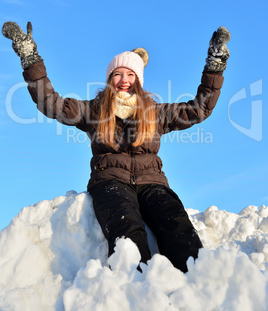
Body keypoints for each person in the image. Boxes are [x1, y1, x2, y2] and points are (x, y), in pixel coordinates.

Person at [2, 21, 230, 273]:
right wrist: (30, 57)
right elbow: (50, 103)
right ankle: (134, 290)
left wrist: (215, 65)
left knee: (178, 226)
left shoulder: (154, 113)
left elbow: (199, 109)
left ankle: (198, 286)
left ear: (139, 79)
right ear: (110, 79)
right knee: (128, 233)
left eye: (131, 74)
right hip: (109, 183)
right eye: (118, 74)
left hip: (152, 183)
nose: (124, 80)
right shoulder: (95, 110)